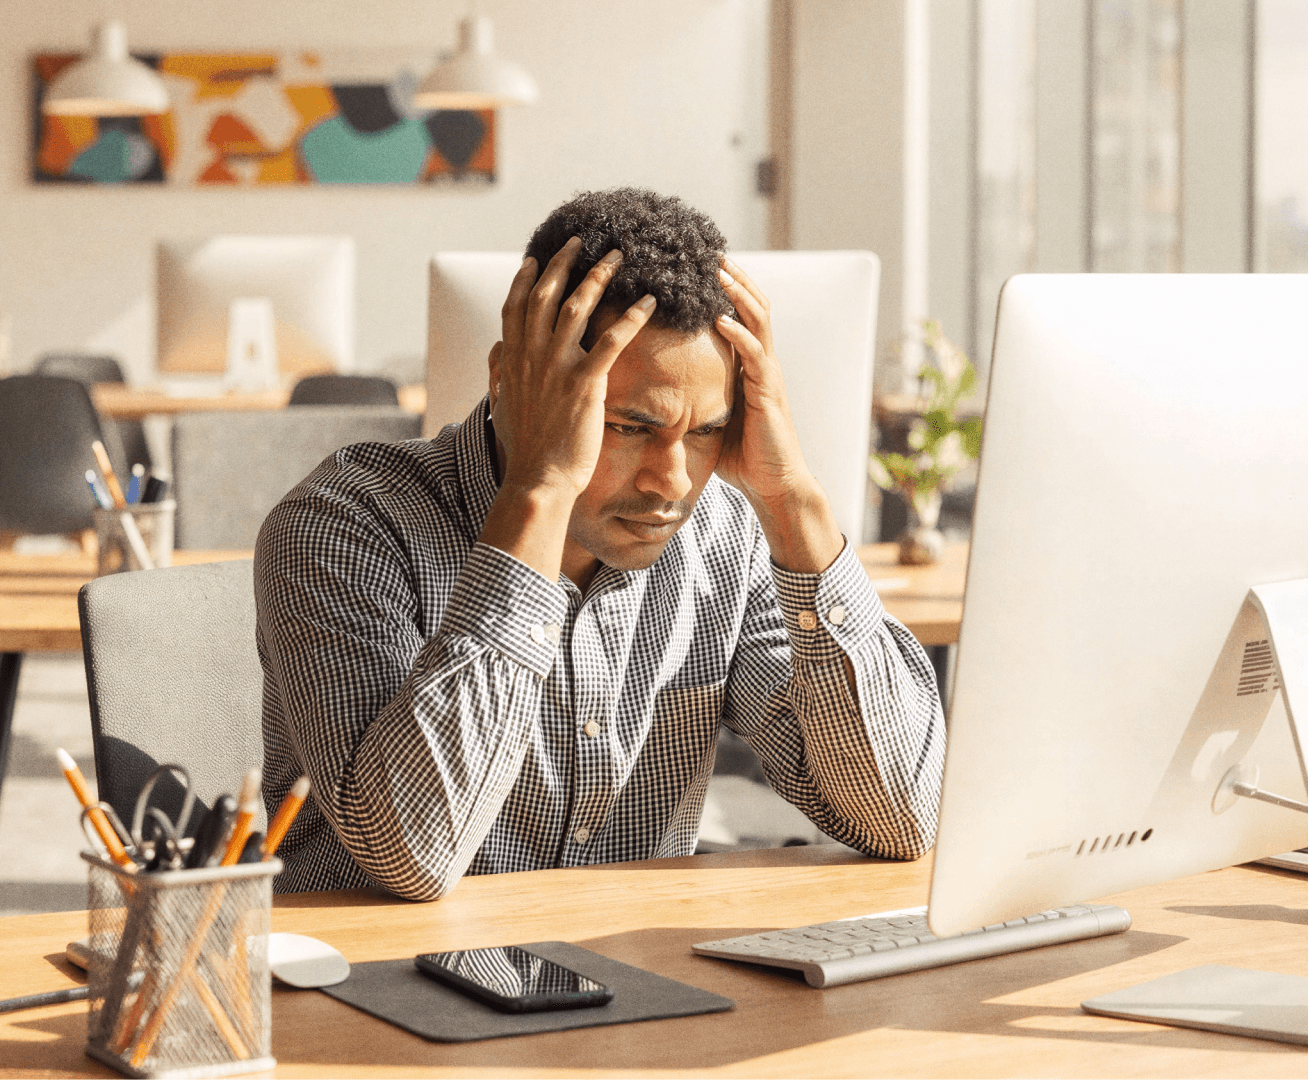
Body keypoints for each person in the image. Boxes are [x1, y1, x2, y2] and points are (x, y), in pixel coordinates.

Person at [255, 187, 944, 899]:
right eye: (629, 427)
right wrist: (542, 490)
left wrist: (791, 497)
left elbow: (900, 818)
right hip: (377, 982)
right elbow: (411, 853)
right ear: (512, 382)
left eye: (706, 431)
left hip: (632, 984)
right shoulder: (343, 522)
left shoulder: (725, 539)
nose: (670, 481)